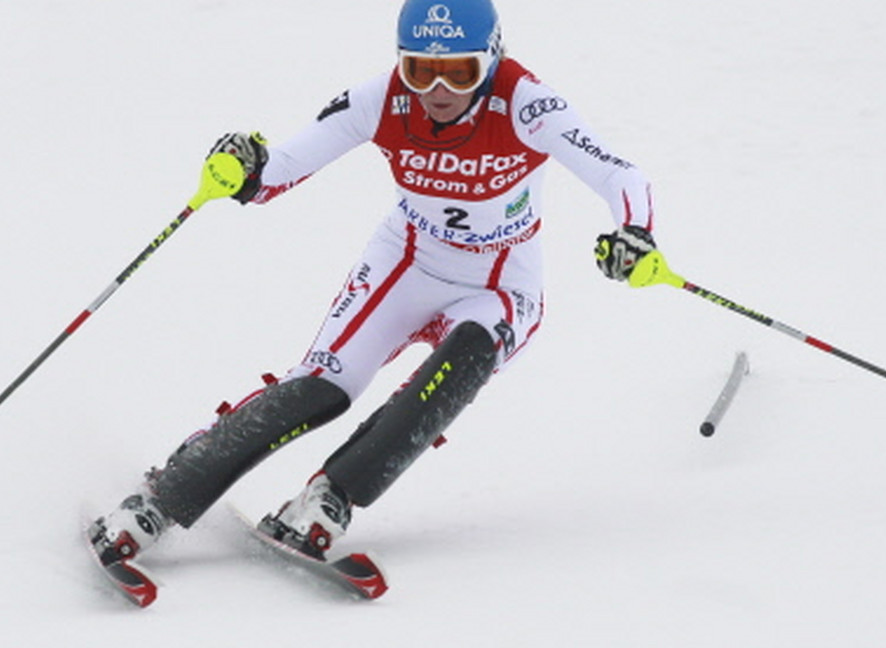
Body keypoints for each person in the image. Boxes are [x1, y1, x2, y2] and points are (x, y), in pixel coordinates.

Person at [89, 0, 658, 568]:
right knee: (323, 388)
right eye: (419, 69)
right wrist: (246, 166)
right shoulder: (382, 100)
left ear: (492, 59)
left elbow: (619, 173)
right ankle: (167, 494)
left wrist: (635, 232)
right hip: (406, 267)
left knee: (457, 367)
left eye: (459, 72)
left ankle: (331, 495)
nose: (438, 88)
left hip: (502, 284)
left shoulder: (527, 104)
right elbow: (280, 170)